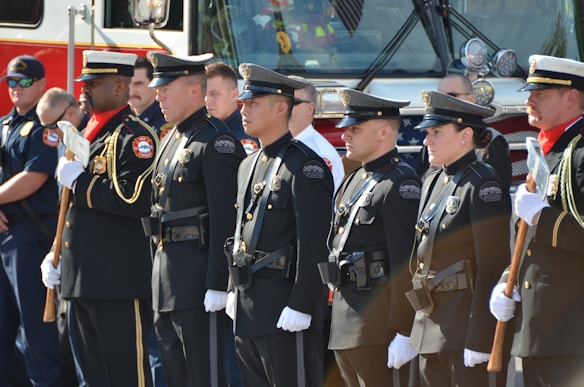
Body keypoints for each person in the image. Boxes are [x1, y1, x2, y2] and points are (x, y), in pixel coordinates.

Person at [40, 50, 158, 387]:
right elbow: (71, 208)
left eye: (93, 83)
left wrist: (80, 181)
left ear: (120, 88)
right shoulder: (86, 132)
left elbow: (133, 199)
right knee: (91, 378)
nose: (84, 89)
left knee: (125, 377)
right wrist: (56, 252)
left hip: (118, 280)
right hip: (82, 275)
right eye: (83, 82)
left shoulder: (134, 136)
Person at [225, 63, 334, 387]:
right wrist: (233, 289)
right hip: (249, 305)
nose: (243, 110)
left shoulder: (305, 166)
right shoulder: (248, 164)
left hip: (287, 310)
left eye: (253, 103)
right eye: (243, 103)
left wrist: (302, 305)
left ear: (281, 107)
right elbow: (239, 235)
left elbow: (314, 242)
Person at [145, 51, 246, 387]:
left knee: (206, 376)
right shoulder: (171, 138)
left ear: (193, 91)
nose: (157, 94)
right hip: (166, 280)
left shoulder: (216, 141)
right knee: (176, 377)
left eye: (166, 87)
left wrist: (219, 284)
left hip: (199, 282)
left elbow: (226, 219)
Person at [489, 55, 584, 387]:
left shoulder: (580, 153)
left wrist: (542, 218)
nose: (528, 100)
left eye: (539, 94)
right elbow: (528, 241)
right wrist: (507, 281)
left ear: (571, 97)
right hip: (538, 329)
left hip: (571, 332)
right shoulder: (548, 152)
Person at [409, 90, 511, 387]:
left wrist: (480, 337)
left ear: (465, 135)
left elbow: (493, 267)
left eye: (437, 132)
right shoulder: (433, 180)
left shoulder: (483, 184)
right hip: (429, 326)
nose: (427, 140)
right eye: (428, 132)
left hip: (463, 330)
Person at [320, 88, 421, 387]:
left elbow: (406, 263)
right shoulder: (354, 179)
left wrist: (404, 330)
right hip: (345, 319)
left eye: (355, 129)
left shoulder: (400, 183)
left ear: (384, 132)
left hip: (378, 327)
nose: (345, 135)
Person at [0, 55, 62, 387]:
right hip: (4, 237)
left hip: (30, 236)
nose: (16, 89)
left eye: (23, 82)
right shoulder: (3, 124)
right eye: (11, 82)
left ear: (40, 84)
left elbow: (34, 177)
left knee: (35, 325)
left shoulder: (45, 128)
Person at [36, 87, 90, 387]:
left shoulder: (89, 136)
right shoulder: (65, 138)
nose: (50, 133)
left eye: (52, 125)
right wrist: (54, 252)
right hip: (69, 254)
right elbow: (64, 207)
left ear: (70, 112)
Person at [417, 74, 513, 189]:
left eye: (451, 96)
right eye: (440, 97)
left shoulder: (491, 141)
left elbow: (497, 190)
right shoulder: (431, 140)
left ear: (471, 100)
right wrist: (434, 170)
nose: (442, 102)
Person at [288, 75, 344, 193]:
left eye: (292, 102)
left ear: (310, 108)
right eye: (281, 101)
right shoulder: (276, 144)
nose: (284, 107)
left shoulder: (320, 154)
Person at [205, 61, 259, 155]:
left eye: (215, 94)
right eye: (204, 94)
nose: (207, 100)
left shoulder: (245, 134)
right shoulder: (204, 127)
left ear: (234, 94)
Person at [129, 56, 173, 139]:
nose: (131, 91)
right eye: (128, 84)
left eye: (138, 84)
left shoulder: (164, 123)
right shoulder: (127, 119)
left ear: (154, 86)